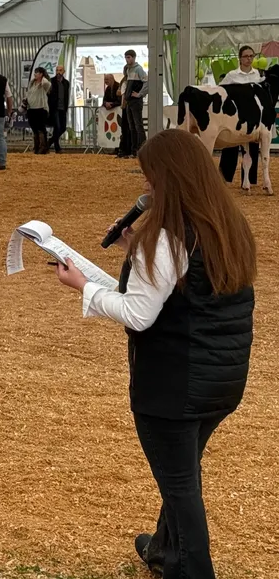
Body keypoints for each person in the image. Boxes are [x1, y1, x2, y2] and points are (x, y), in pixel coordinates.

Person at [52, 128, 255, 579]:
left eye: (149, 177)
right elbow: (183, 291)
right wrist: (132, 250)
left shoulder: (166, 239)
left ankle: (194, 570)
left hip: (173, 387)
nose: (144, 185)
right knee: (181, 471)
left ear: (171, 177)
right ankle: (165, 550)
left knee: (180, 483)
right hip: (221, 380)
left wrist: (83, 286)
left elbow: (139, 315)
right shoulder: (226, 226)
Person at [218, 46, 262, 187]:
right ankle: (224, 178)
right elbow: (220, 91)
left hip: (252, 116)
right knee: (231, 145)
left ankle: (250, 180)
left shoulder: (258, 76)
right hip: (235, 116)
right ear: (240, 58)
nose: (249, 59)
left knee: (252, 147)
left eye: (251, 56)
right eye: (246, 56)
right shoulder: (232, 75)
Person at [121, 50, 148, 157]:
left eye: (129, 57)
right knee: (132, 126)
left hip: (136, 101)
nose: (127, 59)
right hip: (129, 101)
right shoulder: (128, 70)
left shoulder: (139, 69)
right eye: (126, 57)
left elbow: (147, 82)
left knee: (138, 126)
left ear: (134, 57)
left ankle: (142, 148)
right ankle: (134, 150)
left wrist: (140, 94)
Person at [25, 67, 51, 155]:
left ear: (41, 74)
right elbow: (28, 93)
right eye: (35, 72)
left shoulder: (44, 84)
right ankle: (36, 147)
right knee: (34, 128)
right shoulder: (32, 83)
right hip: (31, 109)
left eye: (37, 73)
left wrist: (43, 78)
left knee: (41, 128)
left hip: (41, 108)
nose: (35, 74)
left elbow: (47, 84)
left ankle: (43, 147)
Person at [48, 64, 71, 154]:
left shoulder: (66, 83)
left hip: (63, 108)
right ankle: (57, 147)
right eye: (57, 70)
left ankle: (49, 142)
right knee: (57, 127)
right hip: (54, 108)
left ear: (64, 72)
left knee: (63, 128)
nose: (58, 72)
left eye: (60, 70)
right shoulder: (51, 81)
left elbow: (66, 96)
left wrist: (66, 106)